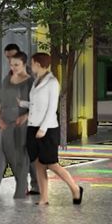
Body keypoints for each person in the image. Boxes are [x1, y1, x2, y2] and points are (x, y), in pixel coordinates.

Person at [22, 50, 85, 206]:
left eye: (32, 63)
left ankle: (75, 189)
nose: (30, 66)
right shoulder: (36, 81)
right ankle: (44, 198)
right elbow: (37, 105)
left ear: (38, 64)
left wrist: (43, 129)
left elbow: (51, 108)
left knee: (51, 164)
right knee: (37, 164)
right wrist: (23, 104)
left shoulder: (52, 83)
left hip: (48, 129)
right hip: (32, 127)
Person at [0, 44, 34, 196]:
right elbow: (1, 101)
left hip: (21, 122)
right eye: (8, 58)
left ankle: (31, 184)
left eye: (13, 57)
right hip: (6, 121)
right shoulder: (7, 79)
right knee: (2, 151)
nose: (10, 61)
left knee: (23, 153)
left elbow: (36, 102)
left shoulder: (30, 79)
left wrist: (26, 116)